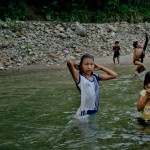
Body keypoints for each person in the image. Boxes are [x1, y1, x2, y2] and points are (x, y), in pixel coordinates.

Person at [67, 54, 118, 118]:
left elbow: (114, 75)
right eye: (86, 64)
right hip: (83, 114)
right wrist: (78, 66)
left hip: (94, 112)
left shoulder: (95, 77)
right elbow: (69, 62)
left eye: (91, 64)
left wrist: (101, 67)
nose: (89, 67)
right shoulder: (79, 78)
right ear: (81, 66)